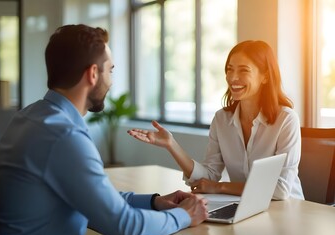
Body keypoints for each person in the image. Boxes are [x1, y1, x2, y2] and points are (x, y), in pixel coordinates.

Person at [0, 24, 208, 235]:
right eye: (110, 70)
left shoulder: (29, 117)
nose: (111, 81)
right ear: (93, 73)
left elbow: (91, 198)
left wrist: (153, 202)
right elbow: (125, 228)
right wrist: (184, 215)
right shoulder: (64, 136)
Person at [128, 40, 304, 200]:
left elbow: (280, 190)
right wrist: (171, 145)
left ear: (265, 76)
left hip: (289, 209)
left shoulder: (286, 120)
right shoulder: (221, 119)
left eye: (243, 70)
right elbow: (209, 177)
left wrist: (220, 187)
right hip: (246, 206)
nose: (233, 77)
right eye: (229, 69)